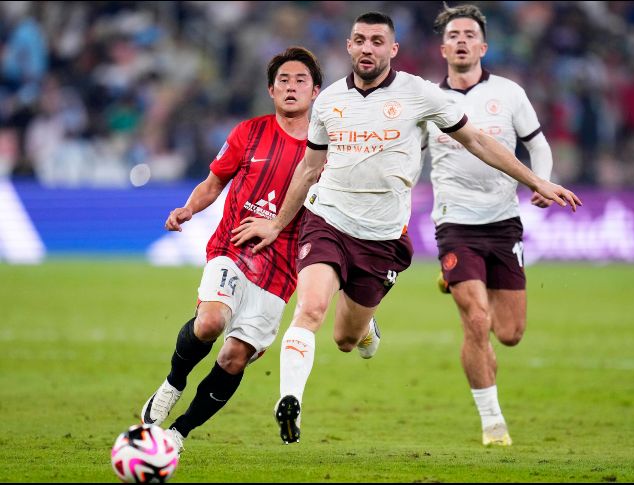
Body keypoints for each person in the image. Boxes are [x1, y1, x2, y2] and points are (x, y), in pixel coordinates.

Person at [233, 11, 581, 445]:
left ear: (392, 49)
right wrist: (277, 223)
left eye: (377, 41)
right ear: (348, 46)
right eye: (359, 40)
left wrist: (536, 180)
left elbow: (477, 141)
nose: (367, 48)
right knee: (310, 309)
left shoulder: (419, 94)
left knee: (345, 337)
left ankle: (366, 329)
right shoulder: (328, 102)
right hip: (327, 220)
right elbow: (309, 169)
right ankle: (290, 403)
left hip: (381, 237)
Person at [139, 47, 322, 452]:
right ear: (271, 90)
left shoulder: (325, 151)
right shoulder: (248, 133)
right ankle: (173, 382)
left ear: (316, 91)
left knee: (234, 357)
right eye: (284, 81)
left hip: (281, 269)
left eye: (301, 81)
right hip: (233, 247)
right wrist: (188, 208)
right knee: (209, 323)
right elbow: (213, 182)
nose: (291, 87)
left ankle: (178, 433)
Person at [424, 3, 554, 447]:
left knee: (510, 334)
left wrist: (543, 182)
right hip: (455, 224)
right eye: (453, 35)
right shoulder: (428, 99)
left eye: (468, 35)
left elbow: (538, 145)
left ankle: (456, 281)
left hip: (503, 224)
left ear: (483, 46)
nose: (461, 40)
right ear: (443, 48)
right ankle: (492, 422)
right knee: (476, 323)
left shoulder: (510, 93)